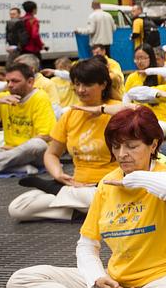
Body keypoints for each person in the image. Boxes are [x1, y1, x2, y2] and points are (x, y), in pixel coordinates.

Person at [6, 106, 166, 288]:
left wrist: (132, 178)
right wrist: (98, 278)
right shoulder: (107, 184)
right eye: (116, 146)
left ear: (153, 145)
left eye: (132, 146)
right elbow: (87, 244)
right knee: (21, 280)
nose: (122, 154)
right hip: (116, 284)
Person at [9, 58, 123, 221]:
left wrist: (102, 109)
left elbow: (138, 111)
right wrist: (58, 174)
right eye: (77, 84)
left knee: (105, 198)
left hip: (110, 185)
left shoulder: (117, 110)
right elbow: (51, 154)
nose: (81, 90)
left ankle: (70, 200)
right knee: (18, 208)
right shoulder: (70, 114)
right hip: (77, 187)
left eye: (87, 85)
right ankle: (85, 212)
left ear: (103, 84)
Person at [0, 63, 56, 175]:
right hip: (8, 153)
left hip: (33, 155)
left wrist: (17, 150)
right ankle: (16, 168)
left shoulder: (40, 97)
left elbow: (46, 136)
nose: (10, 85)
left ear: (30, 82)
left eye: (15, 81)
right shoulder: (5, 96)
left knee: (38, 144)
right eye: (7, 81)